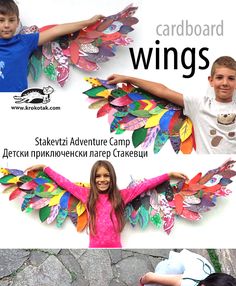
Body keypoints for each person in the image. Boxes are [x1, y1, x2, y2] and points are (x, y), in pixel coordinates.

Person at [26, 161, 187, 248]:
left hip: (116, 246)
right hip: (94, 247)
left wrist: (168, 175)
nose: (102, 179)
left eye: (106, 175)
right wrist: (45, 168)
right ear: (93, 179)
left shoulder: (122, 195)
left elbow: (145, 186)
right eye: (98, 176)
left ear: (112, 178)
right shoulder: (86, 195)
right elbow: (65, 183)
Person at [107, 56, 236, 154]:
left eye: (231, 78)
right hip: (207, 170)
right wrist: (128, 79)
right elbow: (163, 91)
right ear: (211, 81)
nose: (225, 83)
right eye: (219, 77)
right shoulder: (199, 104)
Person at [0, 0, 103, 92]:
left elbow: (56, 30)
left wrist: (88, 22)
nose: (6, 25)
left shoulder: (25, 42)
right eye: (1, 20)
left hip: (15, 103)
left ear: (17, 22)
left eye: (11, 20)